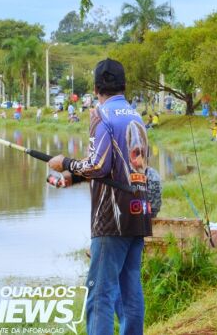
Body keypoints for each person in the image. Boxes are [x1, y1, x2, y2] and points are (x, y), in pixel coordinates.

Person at [48, 59, 151, 335]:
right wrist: (77, 176)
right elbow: (117, 166)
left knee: (100, 293)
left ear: (95, 89)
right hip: (139, 209)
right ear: (124, 86)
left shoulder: (101, 115)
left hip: (111, 217)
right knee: (130, 289)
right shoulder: (136, 116)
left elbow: (98, 166)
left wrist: (66, 163)